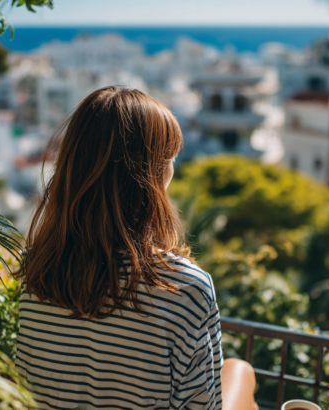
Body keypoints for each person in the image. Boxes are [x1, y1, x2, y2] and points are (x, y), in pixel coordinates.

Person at [15, 86, 258, 410]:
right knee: (241, 371)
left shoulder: (39, 268)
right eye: (169, 160)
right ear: (155, 176)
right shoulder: (185, 287)